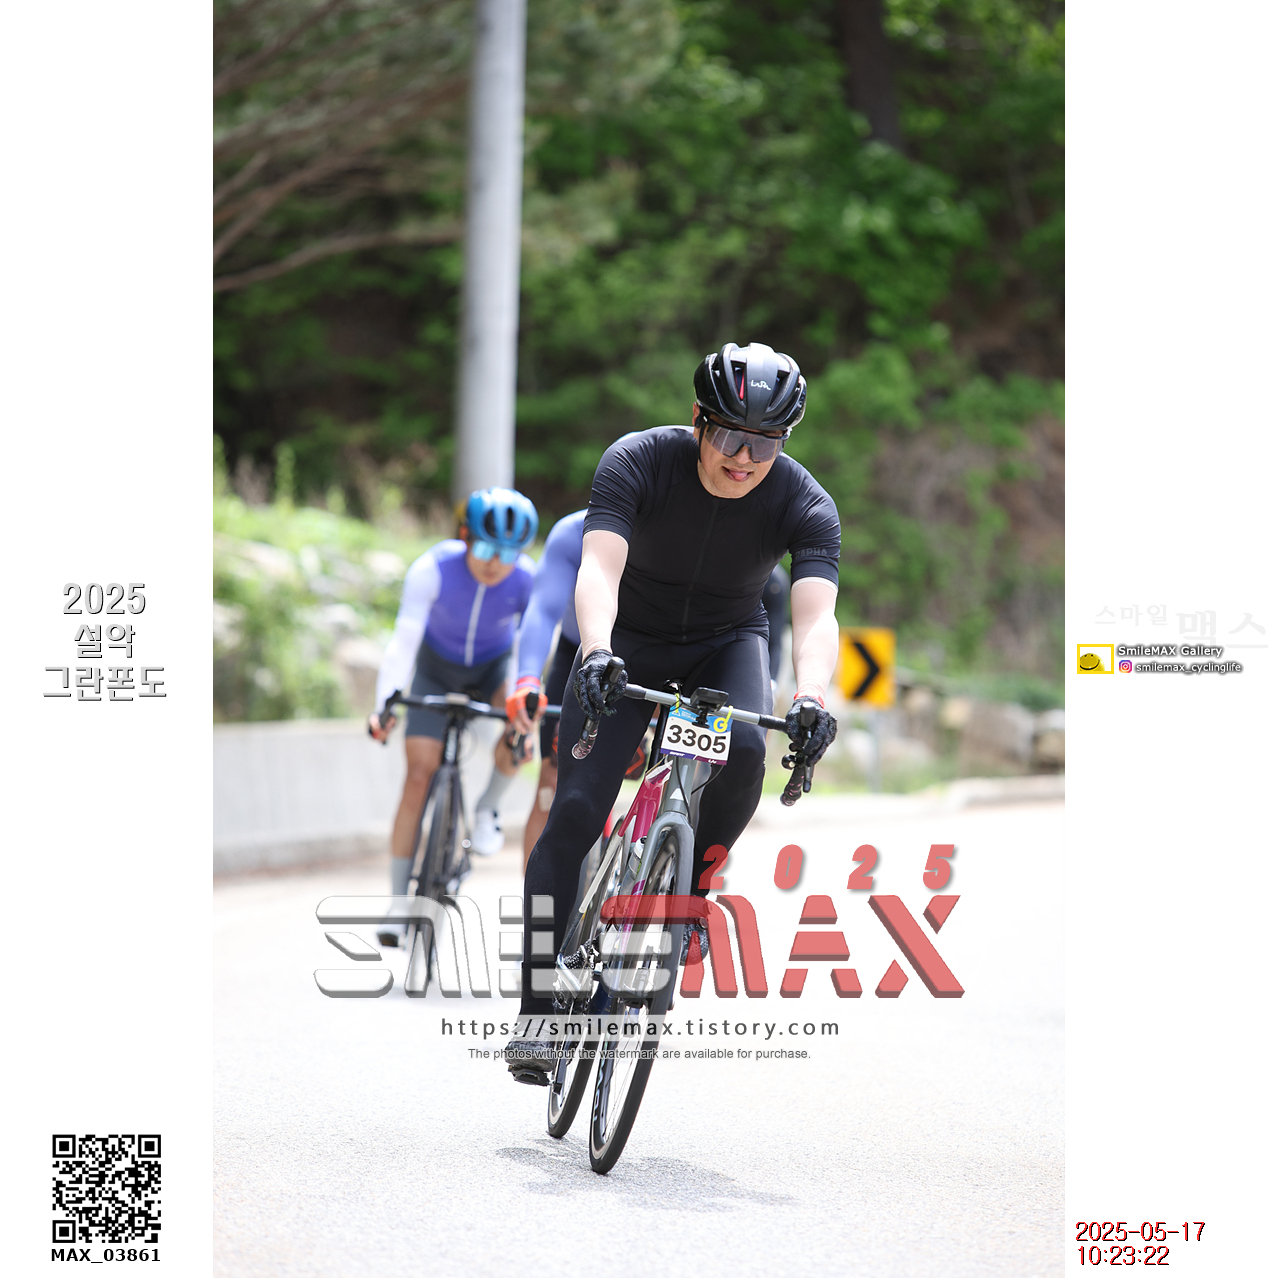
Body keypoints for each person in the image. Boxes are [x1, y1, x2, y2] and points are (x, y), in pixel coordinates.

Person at [505, 341, 842, 1078]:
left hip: (725, 646)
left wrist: (812, 695)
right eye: (731, 437)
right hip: (627, 640)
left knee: (746, 752)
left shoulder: (805, 501)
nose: (745, 458)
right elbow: (599, 569)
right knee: (575, 811)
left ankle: (689, 892)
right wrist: (597, 651)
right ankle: (537, 1010)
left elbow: (816, 616)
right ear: (698, 420)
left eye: (766, 443)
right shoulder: (637, 460)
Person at [368, 487, 538, 947]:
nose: (495, 563)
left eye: (508, 553)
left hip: (493, 668)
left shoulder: (526, 579)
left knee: (522, 726)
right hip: (435, 669)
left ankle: (487, 808)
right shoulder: (432, 568)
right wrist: (385, 702)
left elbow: (528, 647)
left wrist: (521, 704)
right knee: (417, 775)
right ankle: (397, 903)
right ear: (464, 537)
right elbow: (405, 639)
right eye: (485, 549)